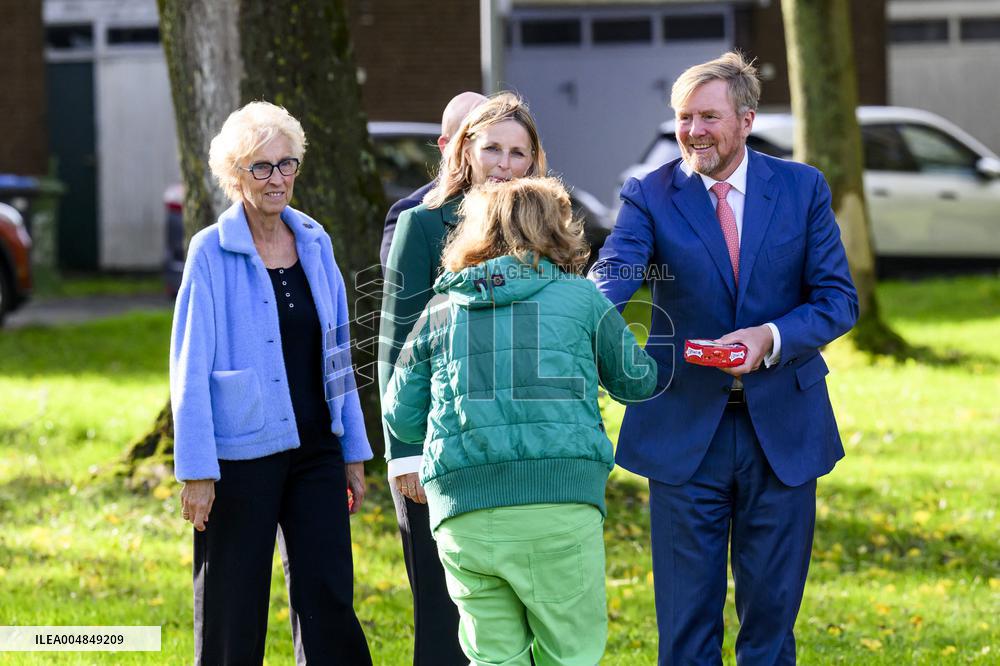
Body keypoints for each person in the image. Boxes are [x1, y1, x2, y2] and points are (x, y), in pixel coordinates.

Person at [589, 52, 858, 665]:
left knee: (770, 627)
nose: (693, 132)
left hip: (782, 433)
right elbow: (619, 265)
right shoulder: (649, 194)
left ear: (745, 119)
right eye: (684, 118)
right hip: (684, 434)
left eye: (707, 116)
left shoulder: (801, 187)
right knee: (686, 630)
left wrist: (770, 337)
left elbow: (837, 300)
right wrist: (592, 308)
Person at [382, 176, 657, 666]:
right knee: (569, 653)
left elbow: (399, 415)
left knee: (493, 657)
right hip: (558, 502)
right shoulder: (581, 299)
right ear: (558, 228)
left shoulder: (440, 308)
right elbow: (638, 380)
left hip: (463, 510)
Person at [170, 101, 373, 665]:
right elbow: (188, 365)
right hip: (240, 454)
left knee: (328, 598)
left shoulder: (314, 239)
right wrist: (196, 469)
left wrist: (352, 451)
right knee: (233, 605)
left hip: (316, 452)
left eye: (287, 164)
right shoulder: (209, 251)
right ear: (236, 175)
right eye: (261, 167)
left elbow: (338, 354)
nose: (277, 178)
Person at [377, 91, 543, 666]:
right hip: (441, 450)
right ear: (465, 151)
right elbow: (397, 345)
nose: (504, 164)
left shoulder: (548, 228)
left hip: (523, 446)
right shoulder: (421, 225)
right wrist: (404, 454)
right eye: (492, 148)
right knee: (446, 612)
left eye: (517, 153)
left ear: (533, 159)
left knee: (520, 611)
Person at [380, 91, 487, 272]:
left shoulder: (526, 207)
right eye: (475, 139)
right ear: (446, 146)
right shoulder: (410, 213)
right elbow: (403, 290)